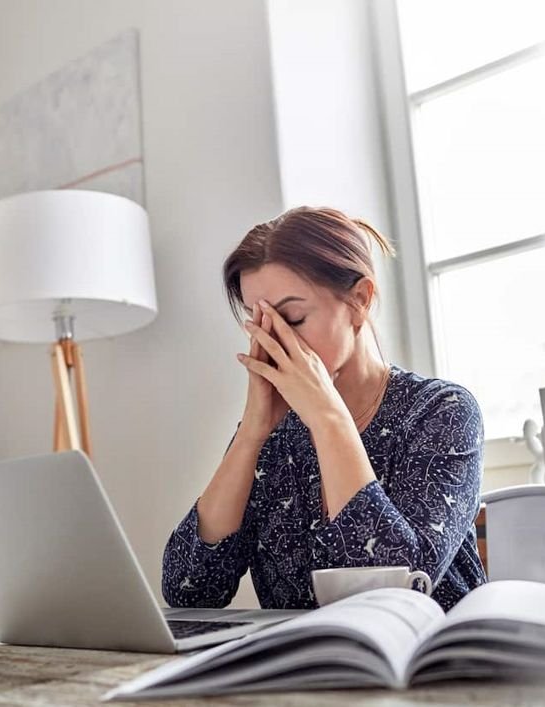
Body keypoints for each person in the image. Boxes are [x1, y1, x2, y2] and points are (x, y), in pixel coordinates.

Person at [162, 206, 486, 611]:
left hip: (427, 663)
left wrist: (328, 419)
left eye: (292, 318)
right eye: (258, 323)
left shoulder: (442, 412)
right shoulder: (272, 435)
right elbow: (188, 590)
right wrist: (251, 434)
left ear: (359, 300)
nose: (274, 342)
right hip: (303, 667)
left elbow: (395, 587)